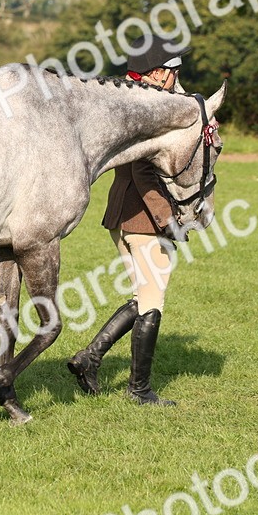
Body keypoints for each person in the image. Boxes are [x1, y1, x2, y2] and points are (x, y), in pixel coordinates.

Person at [67, 35, 189, 406]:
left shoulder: (136, 100)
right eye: (174, 69)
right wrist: (168, 219)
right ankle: (139, 390)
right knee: (153, 298)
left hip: (126, 215)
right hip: (142, 217)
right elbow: (143, 172)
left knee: (143, 293)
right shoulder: (146, 109)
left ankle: (89, 358)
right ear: (157, 73)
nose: (179, 76)